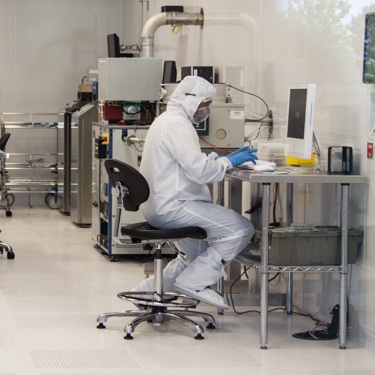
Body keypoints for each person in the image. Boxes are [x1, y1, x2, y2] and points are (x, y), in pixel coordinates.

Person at [132, 75, 257, 309]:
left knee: (195, 254)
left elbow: (186, 164)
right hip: (174, 207)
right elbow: (199, 173)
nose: (207, 110)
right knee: (241, 229)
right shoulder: (178, 125)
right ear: (192, 101)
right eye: (205, 104)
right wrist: (228, 162)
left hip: (158, 206)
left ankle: (145, 293)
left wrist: (217, 161)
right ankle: (193, 283)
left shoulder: (166, 120)